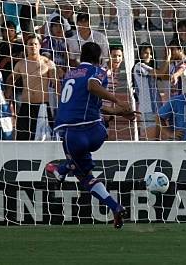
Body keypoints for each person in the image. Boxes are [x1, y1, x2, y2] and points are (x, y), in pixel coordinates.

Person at [47, 42, 136, 229]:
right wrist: (118, 106)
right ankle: (115, 207)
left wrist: (117, 106)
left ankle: (61, 170)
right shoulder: (99, 71)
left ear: (81, 57)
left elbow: (89, 88)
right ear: (99, 59)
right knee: (85, 176)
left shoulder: (69, 75)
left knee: (78, 170)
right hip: (96, 133)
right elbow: (92, 88)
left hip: (72, 134)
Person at [6, 33, 59, 140]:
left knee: (45, 138)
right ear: (26, 46)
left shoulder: (48, 63)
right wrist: (8, 94)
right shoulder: (21, 64)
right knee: (23, 138)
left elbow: (56, 83)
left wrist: (61, 103)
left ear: (39, 46)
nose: (33, 47)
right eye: (30, 44)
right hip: (26, 105)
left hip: (42, 106)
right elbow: (11, 78)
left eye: (35, 44)